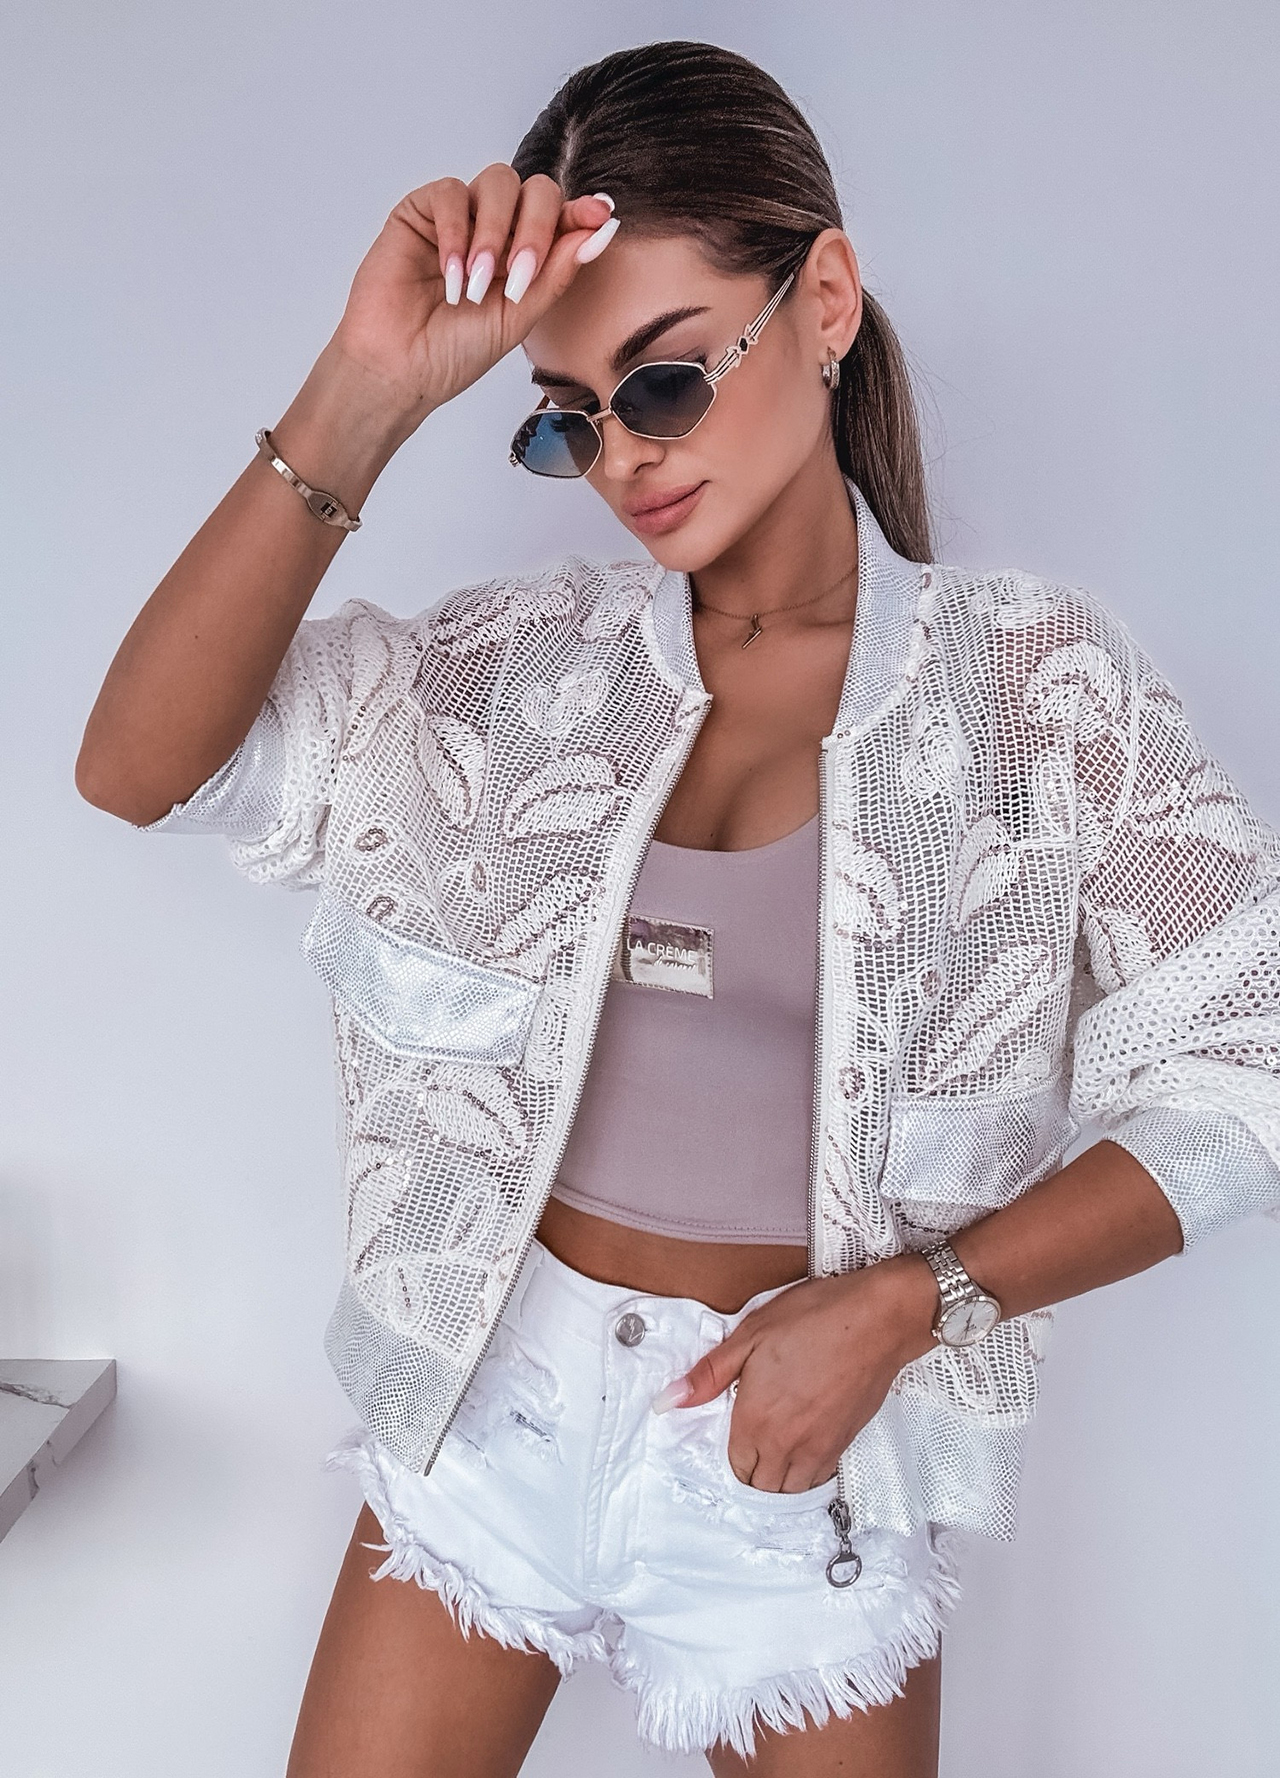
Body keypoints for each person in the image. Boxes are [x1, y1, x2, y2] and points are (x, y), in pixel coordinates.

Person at [75, 38, 1280, 1778]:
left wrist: (912, 1302)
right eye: (569, 416)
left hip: (799, 1446)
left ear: (825, 300)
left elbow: (1252, 1067)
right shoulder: (513, 676)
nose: (625, 459)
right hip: (495, 1406)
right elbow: (141, 768)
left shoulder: (1037, 694)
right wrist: (364, 388)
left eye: (661, 380)